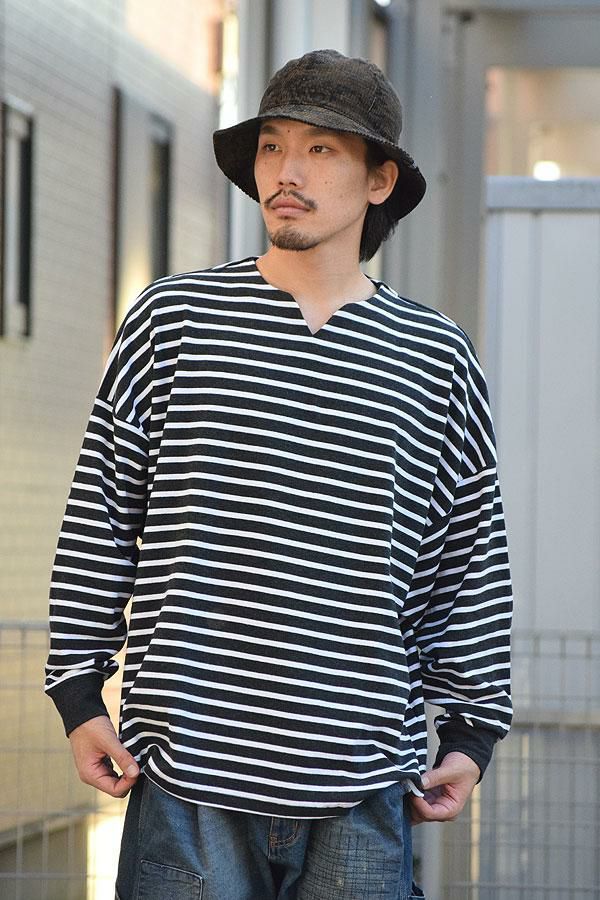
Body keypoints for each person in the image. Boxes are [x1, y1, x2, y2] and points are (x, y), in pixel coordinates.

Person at [45, 49, 512, 899]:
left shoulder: (435, 358)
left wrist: (472, 734)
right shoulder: (174, 320)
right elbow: (100, 515)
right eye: (271, 146)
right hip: (187, 774)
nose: (285, 172)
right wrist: (79, 696)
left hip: (363, 776)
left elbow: (467, 556)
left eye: (320, 148)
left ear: (379, 180)